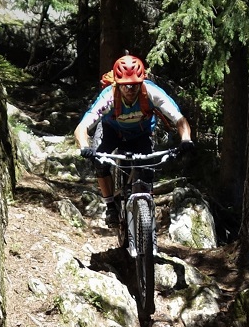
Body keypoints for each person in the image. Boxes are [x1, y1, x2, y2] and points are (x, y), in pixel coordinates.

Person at [75, 54, 194, 224]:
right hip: (111, 132)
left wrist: (186, 139)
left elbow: (179, 119)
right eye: (125, 85)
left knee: (147, 171)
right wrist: (85, 146)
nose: (130, 89)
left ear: (141, 82)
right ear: (117, 83)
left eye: (134, 85)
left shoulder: (152, 92)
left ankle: (146, 215)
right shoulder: (109, 96)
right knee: (100, 163)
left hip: (141, 134)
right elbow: (83, 126)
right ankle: (110, 206)